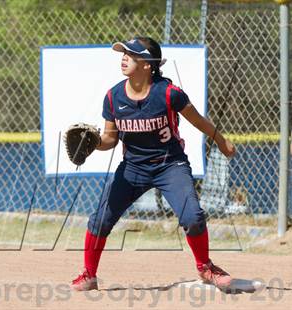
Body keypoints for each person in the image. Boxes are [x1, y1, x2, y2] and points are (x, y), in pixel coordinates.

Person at [71, 37, 236, 291]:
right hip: (133, 168)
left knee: (192, 217)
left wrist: (222, 143)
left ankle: (205, 267)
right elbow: (109, 139)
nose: (124, 57)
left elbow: (198, 121)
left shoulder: (169, 93)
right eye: (123, 54)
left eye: (131, 54)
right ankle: (89, 274)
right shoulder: (113, 97)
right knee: (101, 219)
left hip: (170, 165)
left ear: (147, 65)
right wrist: (93, 144)